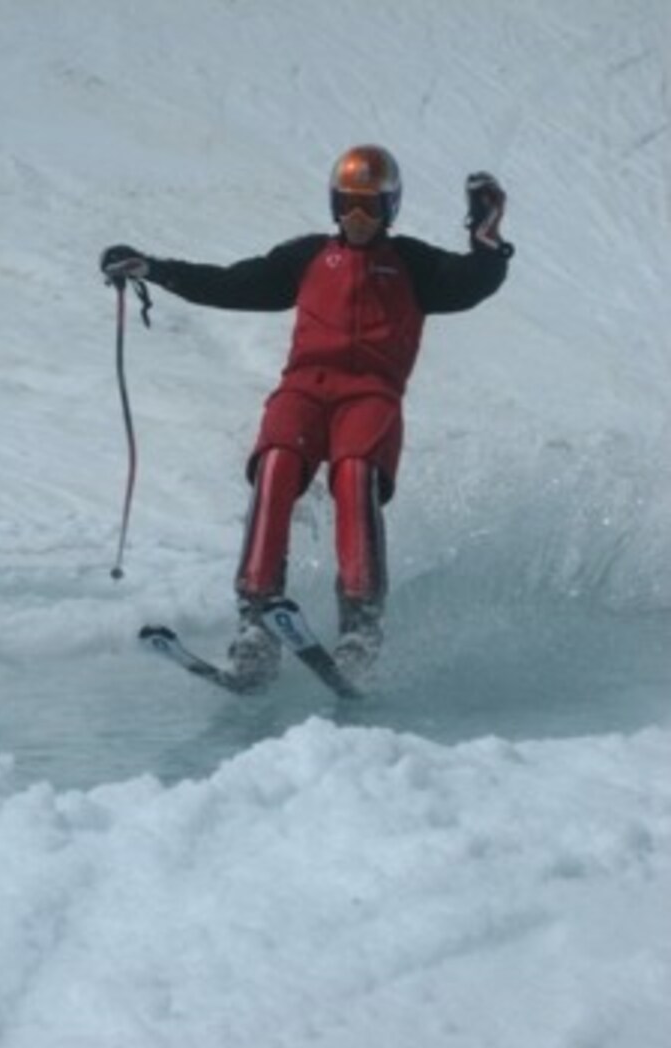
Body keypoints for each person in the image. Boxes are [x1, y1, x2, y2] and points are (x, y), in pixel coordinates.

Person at [100, 145, 513, 688]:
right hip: (304, 390)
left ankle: (360, 628)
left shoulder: (412, 263)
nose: (356, 217)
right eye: (347, 204)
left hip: (370, 395)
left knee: (354, 475)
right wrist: (152, 269)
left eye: (369, 206)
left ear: (390, 209)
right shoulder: (307, 256)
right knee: (275, 468)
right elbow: (230, 283)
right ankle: (256, 622)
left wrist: (486, 240)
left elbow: (473, 283)